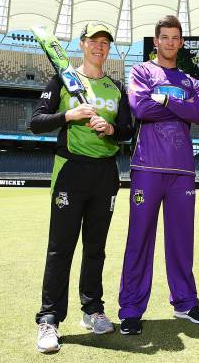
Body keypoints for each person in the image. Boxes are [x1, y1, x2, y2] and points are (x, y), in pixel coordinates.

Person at [31, 22, 133, 353]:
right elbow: (36, 123)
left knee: (95, 248)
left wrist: (111, 128)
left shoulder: (117, 87)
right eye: (94, 41)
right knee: (60, 249)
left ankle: (92, 310)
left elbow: (129, 129)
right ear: (82, 44)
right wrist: (69, 115)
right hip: (71, 172)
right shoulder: (62, 79)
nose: (99, 47)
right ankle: (49, 318)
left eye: (105, 42)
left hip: (105, 174)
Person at [118, 15, 199, 335]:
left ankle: (185, 302)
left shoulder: (190, 81)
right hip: (147, 167)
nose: (171, 42)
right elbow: (140, 109)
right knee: (139, 240)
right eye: (165, 37)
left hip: (182, 170)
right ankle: (131, 309)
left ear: (181, 42)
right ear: (155, 41)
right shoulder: (142, 71)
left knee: (182, 241)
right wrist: (180, 105)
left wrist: (167, 99)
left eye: (176, 37)